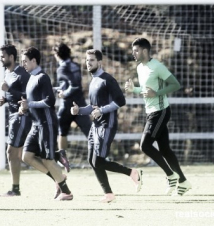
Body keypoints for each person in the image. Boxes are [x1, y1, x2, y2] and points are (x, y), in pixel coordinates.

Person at [70, 49, 142, 203]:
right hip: (95, 126)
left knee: (98, 160)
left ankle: (131, 173)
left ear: (99, 62)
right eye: (87, 60)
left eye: (92, 60)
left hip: (107, 125)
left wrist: (101, 111)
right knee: (92, 160)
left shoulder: (107, 79)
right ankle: (109, 194)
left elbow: (120, 101)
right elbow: (92, 107)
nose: (88, 63)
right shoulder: (93, 80)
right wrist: (79, 111)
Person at [125, 38, 192, 196]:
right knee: (165, 149)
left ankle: (171, 175)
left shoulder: (157, 67)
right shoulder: (140, 67)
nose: (133, 53)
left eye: (136, 50)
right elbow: (146, 89)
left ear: (145, 51)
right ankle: (183, 181)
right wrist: (134, 90)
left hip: (160, 111)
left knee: (145, 145)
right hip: (151, 111)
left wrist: (158, 93)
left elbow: (175, 84)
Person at [18, 46, 73, 201]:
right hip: (36, 125)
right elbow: (32, 103)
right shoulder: (30, 79)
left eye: (25, 61)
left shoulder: (42, 77)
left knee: (47, 160)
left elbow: (50, 101)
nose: (23, 64)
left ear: (34, 61)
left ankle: (66, 192)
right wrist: (25, 110)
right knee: (27, 156)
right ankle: (58, 177)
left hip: (46, 124)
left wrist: (30, 105)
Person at [0, 44, 32, 197]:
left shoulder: (22, 74)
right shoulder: (7, 72)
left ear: (11, 57)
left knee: (13, 152)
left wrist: (9, 90)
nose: (1, 59)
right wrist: (4, 99)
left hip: (21, 116)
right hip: (12, 116)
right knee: (20, 154)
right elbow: (13, 94)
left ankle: (15, 189)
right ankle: (58, 178)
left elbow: (28, 95)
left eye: (3, 56)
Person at [52, 43, 92, 172]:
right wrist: (54, 89)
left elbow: (73, 86)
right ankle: (101, 157)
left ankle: (62, 160)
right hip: (80, 104)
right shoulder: (75, 65)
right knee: (90, 133)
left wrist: (64, 93)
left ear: (57, 55)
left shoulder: (62, 68)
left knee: (61, 132)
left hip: (68, 105)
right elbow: (72, 85)